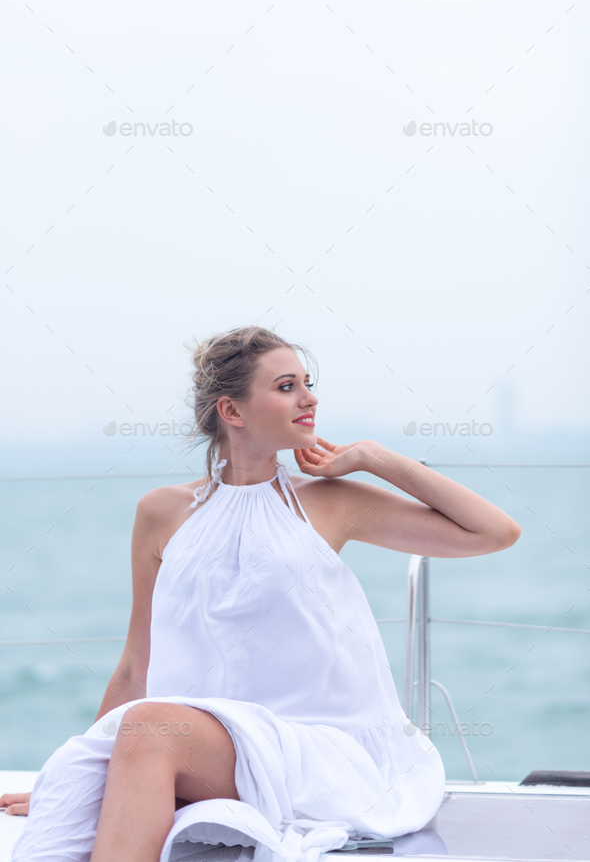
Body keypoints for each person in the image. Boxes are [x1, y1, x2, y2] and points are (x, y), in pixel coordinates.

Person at [2, 326, 521, 862]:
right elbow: (138, 664)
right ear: (233, 411)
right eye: (286, 386)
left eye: (308, 383)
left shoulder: (329, 503)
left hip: (323, 753)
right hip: (209, 745)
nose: (310, 397)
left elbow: (493, 532)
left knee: (151, 726)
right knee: (140, 731)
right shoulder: (161, 512)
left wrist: (372, 457)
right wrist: (70, 783)